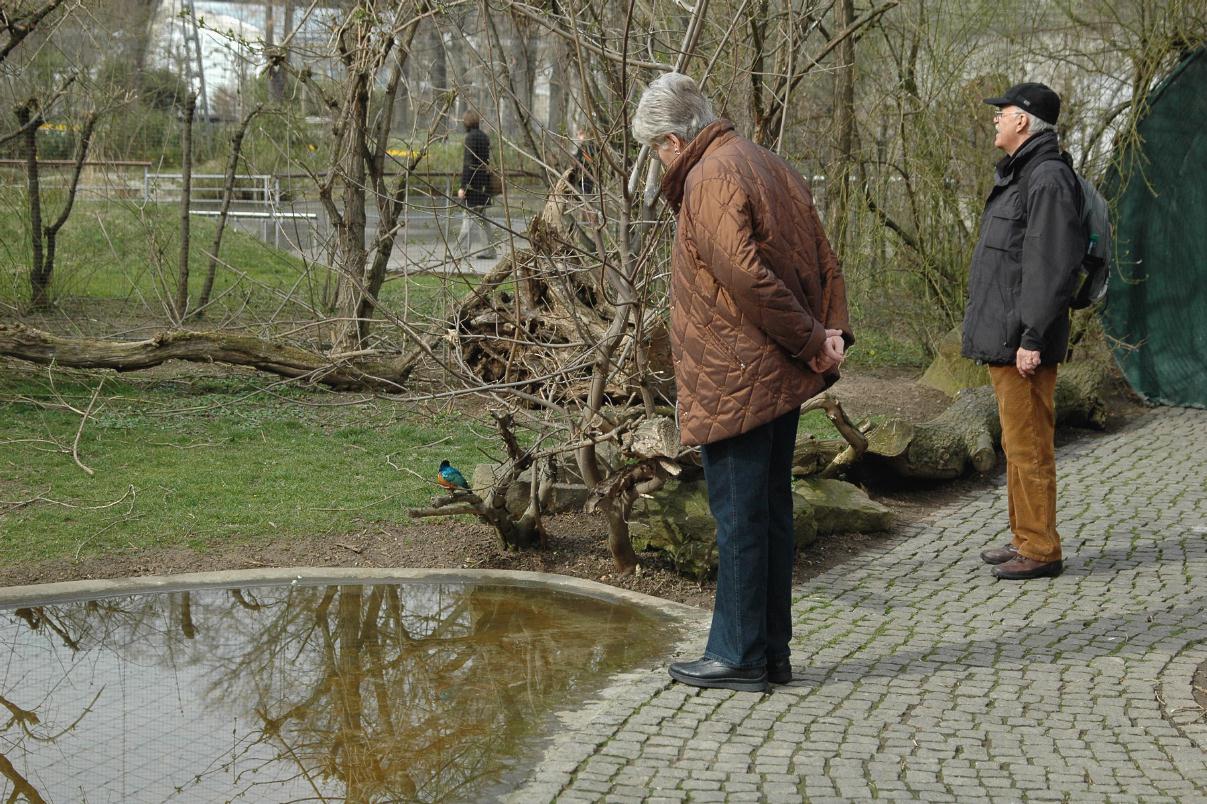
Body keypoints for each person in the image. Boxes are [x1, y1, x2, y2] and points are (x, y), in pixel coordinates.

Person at [631, 72, 852, 693]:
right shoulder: (767, 163)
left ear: (674, 140)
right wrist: (827, 333)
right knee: (769, 513)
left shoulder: (710, 177)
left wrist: (815, 341)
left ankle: (738, 654)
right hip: (773, 370)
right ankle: (769, 652)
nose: (657, 161)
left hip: (739, 376)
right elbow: (823, 257)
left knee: (740, 517)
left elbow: (748, 279)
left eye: (655, 149)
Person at [964, 82, 1085, 580]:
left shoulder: (1047, 177)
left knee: (1030, 444)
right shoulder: (1024, 173)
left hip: (1022, 342)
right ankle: (1024, 537)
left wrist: (1032, 338)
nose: (995, 118)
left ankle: (1040, 549)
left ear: (1024, 121)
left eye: (1003, 112)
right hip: (1008, 338)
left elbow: (1051, 266)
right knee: (1017, 443)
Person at [456, 109, 495, 259]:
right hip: (483, 184)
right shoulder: (484, 137)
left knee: (468, 219)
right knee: (482, 220)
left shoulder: (470, 139)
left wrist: (463, 187)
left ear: (466, 123)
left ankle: (461, 251)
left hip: (473, 186)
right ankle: (489, 250)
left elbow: (469, 165)